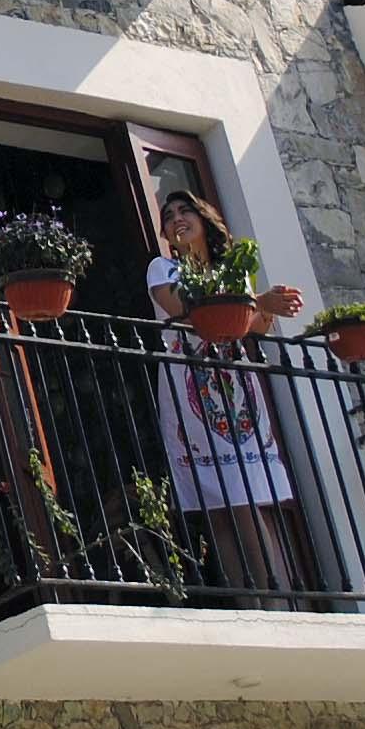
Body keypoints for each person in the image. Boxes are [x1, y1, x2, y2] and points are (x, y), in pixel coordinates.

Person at [147, 185, 308, 597]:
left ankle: (282, 604)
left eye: (186, 211)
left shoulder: (232, 272)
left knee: (251, 500)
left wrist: (263, 308)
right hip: (192, 387)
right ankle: (251, 602)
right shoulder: (163, 269)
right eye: (169, 216)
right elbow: (180, 309)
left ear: (204, 220)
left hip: (235, 389)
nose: (177, 219)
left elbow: (255, 325)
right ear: (166, 234)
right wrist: (259, 302)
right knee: (218, 507)